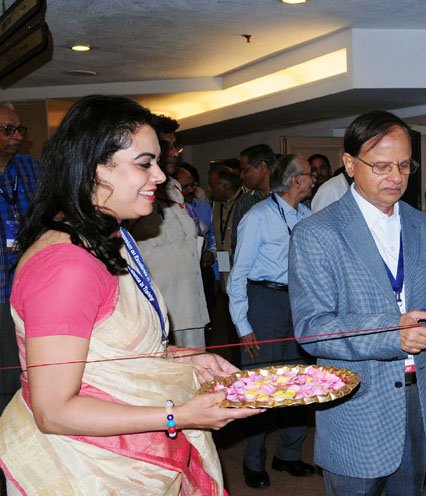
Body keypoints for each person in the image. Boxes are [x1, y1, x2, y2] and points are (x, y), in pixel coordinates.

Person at [0, 95, 260, 495]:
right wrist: (180, 415)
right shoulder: (66, 266)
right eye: (144, 163)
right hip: (84, 467)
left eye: (157, 161)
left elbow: (104, 349)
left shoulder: (109, 235)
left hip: (123, 452)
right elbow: (54, 412)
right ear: (94, 168)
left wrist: (185, 354)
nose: (159, 176)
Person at [289, 110, 426, 496]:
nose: (395, 177)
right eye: (380, 166)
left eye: (404, 165)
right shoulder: (316, 233)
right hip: (357, 407)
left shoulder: (424, 226)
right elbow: (312, 328)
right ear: (349, 164)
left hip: (418, 401)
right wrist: (390, 335)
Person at [227, 154, 317, 489]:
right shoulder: (259, 217)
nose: (314, 179)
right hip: (263, 301)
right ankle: (253, 461)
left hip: (299, 302)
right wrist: (243, 325)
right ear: (296, 180)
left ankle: (289, 454)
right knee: (260, 385)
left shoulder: (308, 217)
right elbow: (238, 275)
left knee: (298, 381)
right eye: (309, 174)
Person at [127, 115, 209, 349]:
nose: (175, 153)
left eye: (176, 146)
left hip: (190, 308)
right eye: (167, 146)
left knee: (198, 377)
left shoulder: (174, 188)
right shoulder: (133, 191)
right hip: (157, 314)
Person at [0, 103, 39, 414]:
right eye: (7, 130)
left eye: (19, 129)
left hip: (27, 290)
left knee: (27, 374)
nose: (16, 136)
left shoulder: (30, 169)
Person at [176, 166, 216, 309]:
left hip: (203, 270)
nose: (191, 190)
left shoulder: (203, 207)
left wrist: (211, 252)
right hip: (181, 275)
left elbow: (213, 236)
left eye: (192, 185)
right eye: (185, 187)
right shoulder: (166, 212)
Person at [231, 144, 276, 251]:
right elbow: (236, 242)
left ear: (263, 167)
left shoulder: (287, 199)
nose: (242, 176)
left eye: (245, 170)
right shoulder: (244, 201)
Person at [207, 165, 242, 291]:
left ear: (226, 187)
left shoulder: (245, 202)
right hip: (222, 258)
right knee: (226, 295)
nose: (209, 190)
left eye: (213, 186)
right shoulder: (216, 204)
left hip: (241, 270)